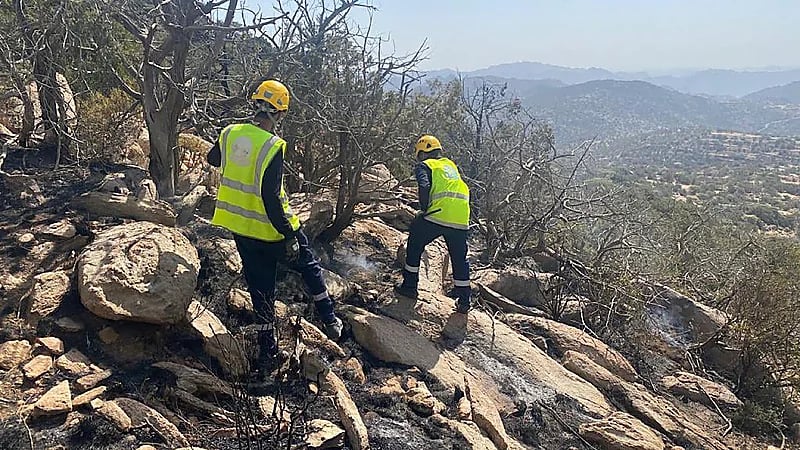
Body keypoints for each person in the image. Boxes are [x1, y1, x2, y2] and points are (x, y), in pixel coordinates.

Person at [207, 79, 343, 374]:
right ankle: (331, 320)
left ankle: (268, 351)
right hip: (270, 229)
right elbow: (271, 197)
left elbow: (212, 158)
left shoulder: (230, 132)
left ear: (254, 105)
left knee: (261, 289)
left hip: (239, 227)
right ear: (280, 114)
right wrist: (289, 233)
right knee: (308, 265)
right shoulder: (273, 145)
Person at [395, 134, 472, 313]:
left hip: (438, 214)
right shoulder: (450, 165)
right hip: (461, 218)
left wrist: (424, 209)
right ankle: (465, 301)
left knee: (414, 243)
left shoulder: (425, 165)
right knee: (459, 259)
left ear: (422, 152)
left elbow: (424, 186)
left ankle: (409, 286)